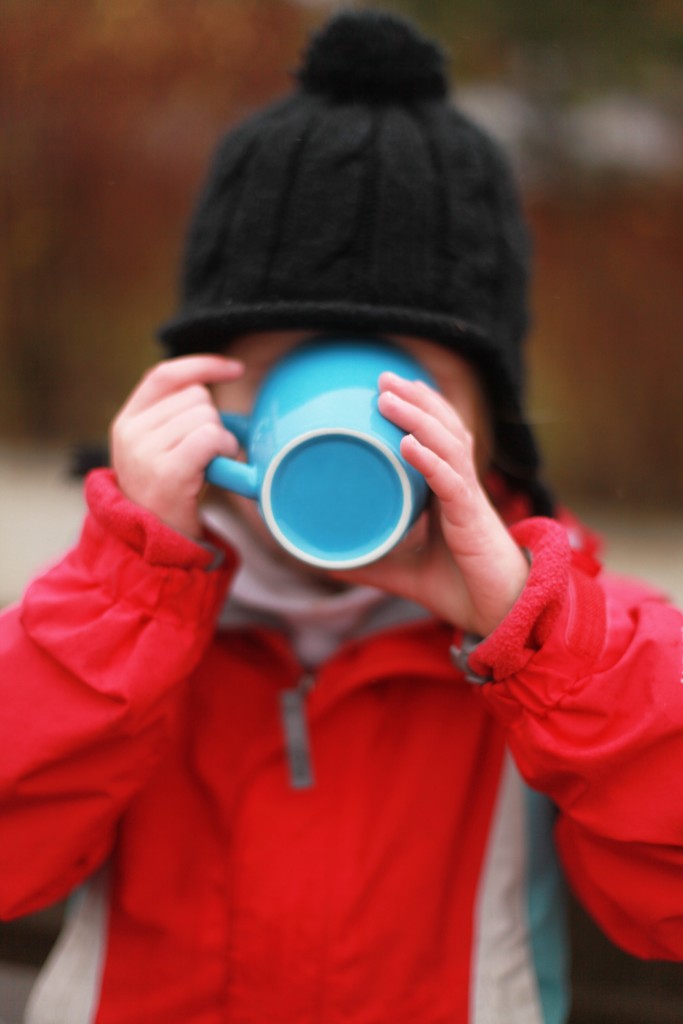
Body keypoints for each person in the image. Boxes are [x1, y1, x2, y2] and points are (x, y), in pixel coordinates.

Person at [1, 10, 682, 1024]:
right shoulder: (112, 622)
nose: (356, 419)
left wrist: (536, 642)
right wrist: (127, 590)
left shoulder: (575, 645)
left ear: (490, 425)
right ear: (206, 394)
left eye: (412, 379)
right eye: (290, 365)